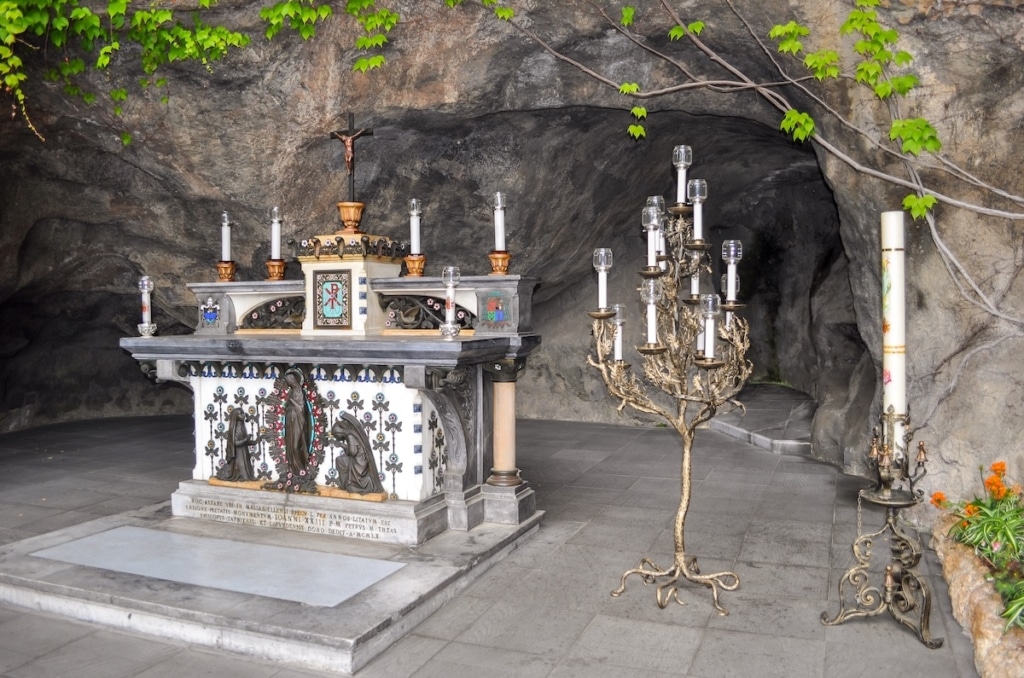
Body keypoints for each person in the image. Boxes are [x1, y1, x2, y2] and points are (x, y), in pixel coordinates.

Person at [332, 413, 385, 494]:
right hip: (357, 460)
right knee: (340, 460)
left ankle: (348, 484)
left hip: (359, 463)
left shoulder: (349, 435)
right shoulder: (350, 433)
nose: (337, 438)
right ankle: (345, 484)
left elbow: (353, 452)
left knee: (340, 460)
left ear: (339, 433)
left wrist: (343, 446)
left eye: (336, 436)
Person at [216, 408, 255, 481]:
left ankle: (245, 477)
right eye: (240, 414)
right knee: (241, 469)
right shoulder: (235, 429)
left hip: (244, 452)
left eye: (243, 413)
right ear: (236, 416)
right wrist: (246, 439)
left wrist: (254, 441)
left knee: (246, 472)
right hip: (239, 454)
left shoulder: (242, 427)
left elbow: (245, 441)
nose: (243, 415)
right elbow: (236, 443)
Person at [284, 370, 310, 475]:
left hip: (298, 420)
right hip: (290, 420)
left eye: (288, 380)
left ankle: (300, 469)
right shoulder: (291, 391)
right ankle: (293, 469)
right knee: (290, 446)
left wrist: (292, 402)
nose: (287, 383)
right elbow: (287, 407)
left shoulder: (299, 390)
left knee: (295, 446)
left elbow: (301, 408)